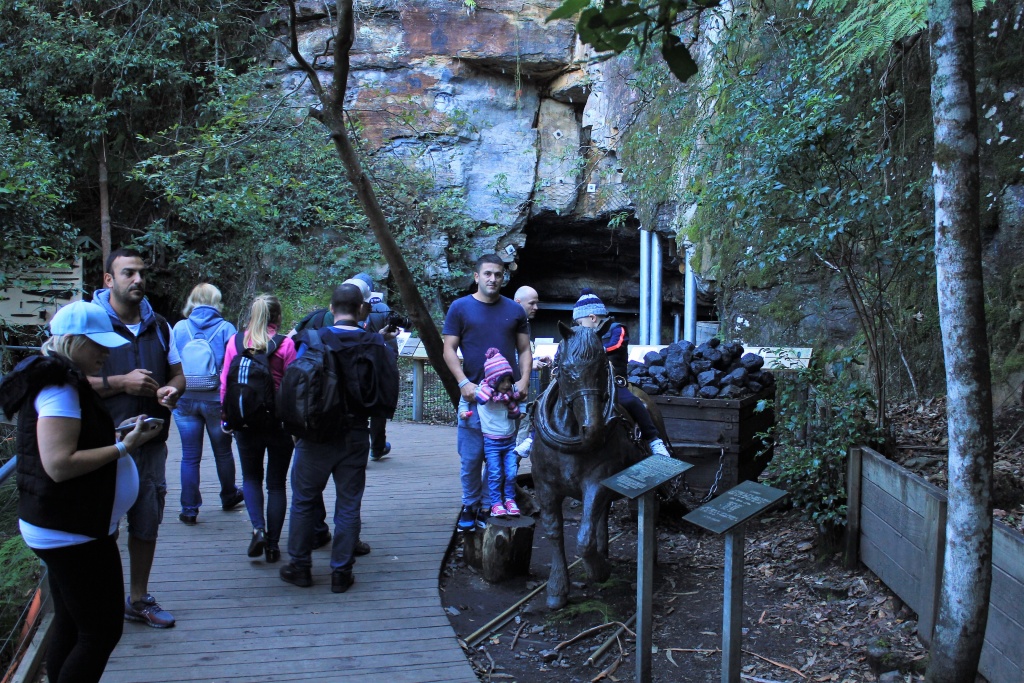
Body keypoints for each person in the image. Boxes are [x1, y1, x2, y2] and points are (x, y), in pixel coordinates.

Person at [0, 301, 164, 682]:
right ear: (73, 342)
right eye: (98, 345)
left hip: (66, 525)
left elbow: (69, 440)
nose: (106, 353)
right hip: (71, 530)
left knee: (72, 623)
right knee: (101, 632)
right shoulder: (60, 387)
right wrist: (123, 447)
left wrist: (116, 432)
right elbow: (59, 464)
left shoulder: (61, 378)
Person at [279, 281, 399, 592]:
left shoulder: (313, 340)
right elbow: (386, 388)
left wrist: (294, 428)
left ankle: (300, 567)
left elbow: (294, 385)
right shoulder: (375, 344)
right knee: (348, 504)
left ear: (331, 309)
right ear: (361, 309)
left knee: (304, 501)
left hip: (315, 435)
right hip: (355, 433)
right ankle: (341, 572)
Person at [92, 248, 184, 629]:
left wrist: (171, 390)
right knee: (101, 528)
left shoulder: (159, 325)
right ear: (108, 280)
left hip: (149, 444)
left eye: (141, 273)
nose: (138, 280)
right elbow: (68, 382)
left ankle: (138, 599)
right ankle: (101, 601)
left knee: (147, 522)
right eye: (128, 273)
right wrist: (121, 382)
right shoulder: (90, 323)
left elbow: (178, 374)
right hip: (103, 447)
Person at [443, 255, 532, 532]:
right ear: (477, 276)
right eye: (488, 274)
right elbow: (448, 349)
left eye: (498, 274)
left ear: (503, 277)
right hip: (474, 394)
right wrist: (463, 383)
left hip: (506, 398)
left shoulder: (514, 310)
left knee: (499, 456)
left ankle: (488, 504)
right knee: (471, 457)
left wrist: (524, 381)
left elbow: (524, 349)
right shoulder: (460, 307)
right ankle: (469, 505)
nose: (493, 279)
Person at [220, 294, 297, 563]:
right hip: (278, 423)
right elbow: (292, 385)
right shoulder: (285, 344)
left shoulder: (236, 342)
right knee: (276, 484)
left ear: (252, 315)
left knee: (251, 478)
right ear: (278, 317)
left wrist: (226, 418)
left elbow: (225, 383)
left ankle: (258, 529)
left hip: (245, 422)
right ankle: (273, 546)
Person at [170, 283, 243, 525]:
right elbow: (233, 367)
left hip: (185, 398)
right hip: (215, 399)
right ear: (216, 301)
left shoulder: (179, 328)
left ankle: (189, 509)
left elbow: (170, 361)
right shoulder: (226, 328)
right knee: (223, 452)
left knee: (190, 456)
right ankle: (229, 495)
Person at [572, 288, 671, 457]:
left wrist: (596, 351)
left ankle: (653, 439)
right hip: (586, 381)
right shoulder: (581, 335)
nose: (579, 327)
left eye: (580, 323)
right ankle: (534, 437)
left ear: (592, 318)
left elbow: (617, 344)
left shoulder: (617, 329)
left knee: (632, 402)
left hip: (613, 379)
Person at [473, 348, 526, 518]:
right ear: (493, 381)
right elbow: (468, 397)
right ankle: (496, 503)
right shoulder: (484, 393)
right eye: (502, 380)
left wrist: (522, 410)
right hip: (492, 442)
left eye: (508, 380)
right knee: (495, 473)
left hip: (510, 441)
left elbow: (523, 398)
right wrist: (464, 412)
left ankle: (509, 499)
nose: (507, 384)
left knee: (511, 472)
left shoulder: (511, 394)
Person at [352, 272, 398, 461]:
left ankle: (359, 446)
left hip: (357, 366)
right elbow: (392, 339)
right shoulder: (382, 308)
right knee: (378, 406)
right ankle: (377, 447)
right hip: (379, 364)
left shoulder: (347, 309)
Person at [512, 285, 551, 458]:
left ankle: (511, 468)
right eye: (532, 303)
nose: (536, 307)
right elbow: (501, 357)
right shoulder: (509, 323)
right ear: (518, 302)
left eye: (537, 303)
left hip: (522, 388)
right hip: (508, 388)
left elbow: (521, 353)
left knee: (522, 426)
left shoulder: (523, 323)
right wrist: (529, 365)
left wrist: (535, 359)